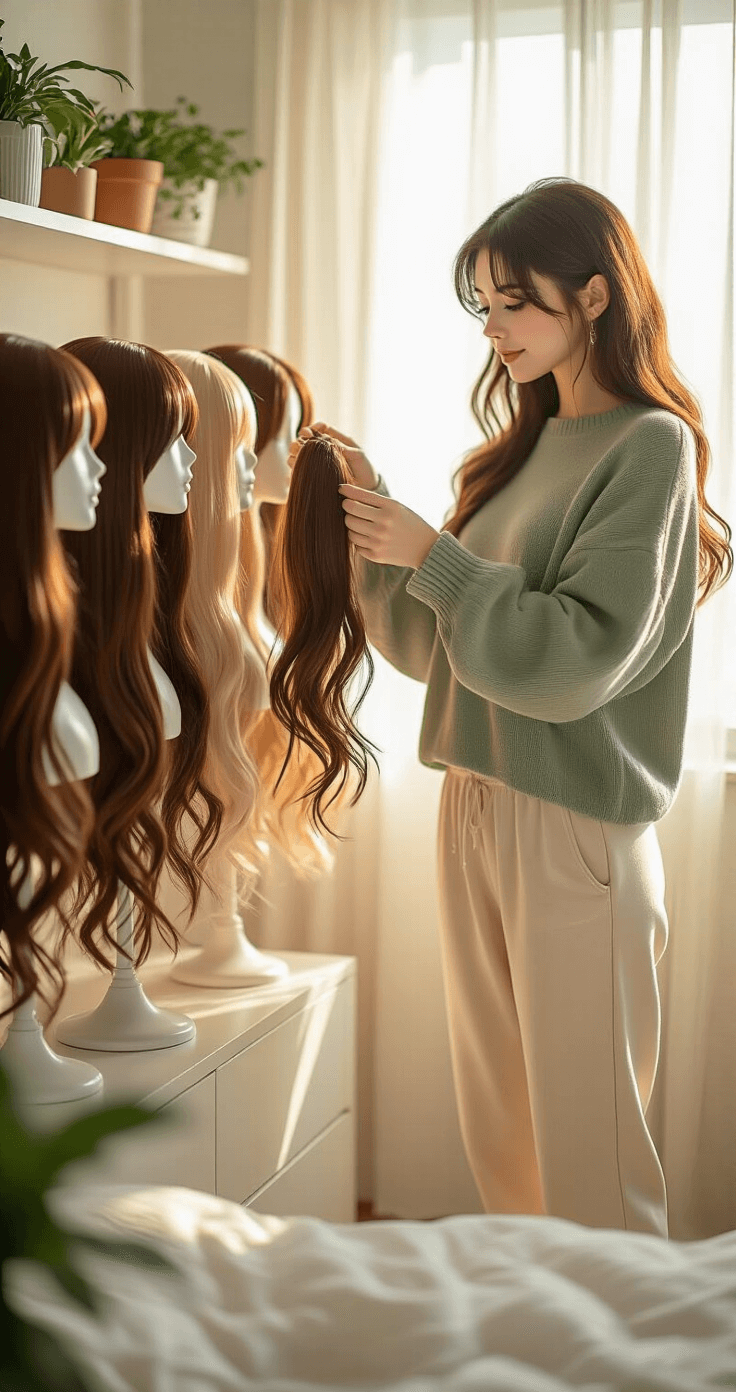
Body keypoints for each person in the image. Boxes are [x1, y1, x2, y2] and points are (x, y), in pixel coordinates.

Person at [293, 176, 733, 1237]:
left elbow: (570, 662)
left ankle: (625, 1357)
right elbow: (435, 650)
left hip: (572, 824)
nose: (494, 329)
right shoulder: (518, 453)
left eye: (515, 301)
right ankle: (543, 1341)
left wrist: (433, 558)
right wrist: (368, 534)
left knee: (593, 1152)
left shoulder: (648, 447)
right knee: (504, 1134)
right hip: (476, 807)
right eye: (482, 306)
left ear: (592, 297)